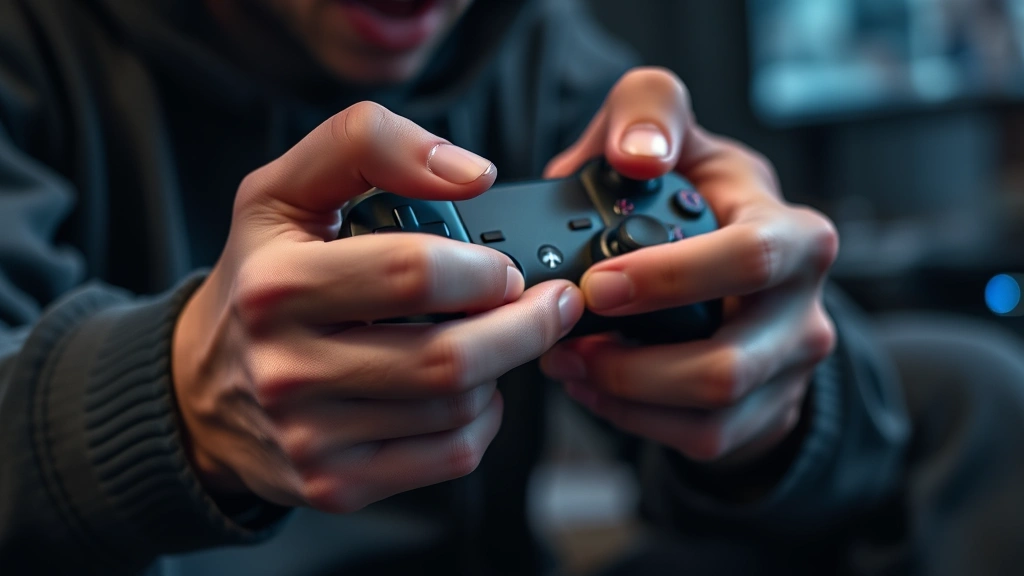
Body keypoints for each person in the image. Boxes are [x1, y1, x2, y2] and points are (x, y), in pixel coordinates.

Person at [1, 0, 1023, 575]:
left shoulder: (522, 44)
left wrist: (771, 398)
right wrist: (168, 406)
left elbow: (811, 389)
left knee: (976, 390)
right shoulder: (33, 46)